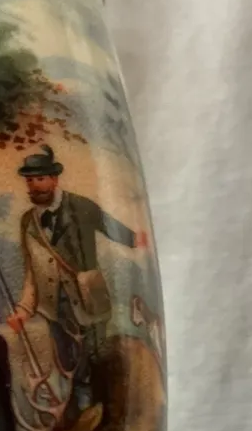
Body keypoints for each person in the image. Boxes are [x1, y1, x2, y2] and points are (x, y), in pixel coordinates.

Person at [8, 145, 148, 408]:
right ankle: (77, 413)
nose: (35, 187)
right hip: (52, 308)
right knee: (66, 362)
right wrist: (24, 309)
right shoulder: (28, 221)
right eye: (30, 181)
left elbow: (110, 226)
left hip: (87, 299)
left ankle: (99, 408)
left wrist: (136, 240)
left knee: (94, 357)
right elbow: (31, 271)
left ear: (54, 179)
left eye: (40, 179)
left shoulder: (81, 206)